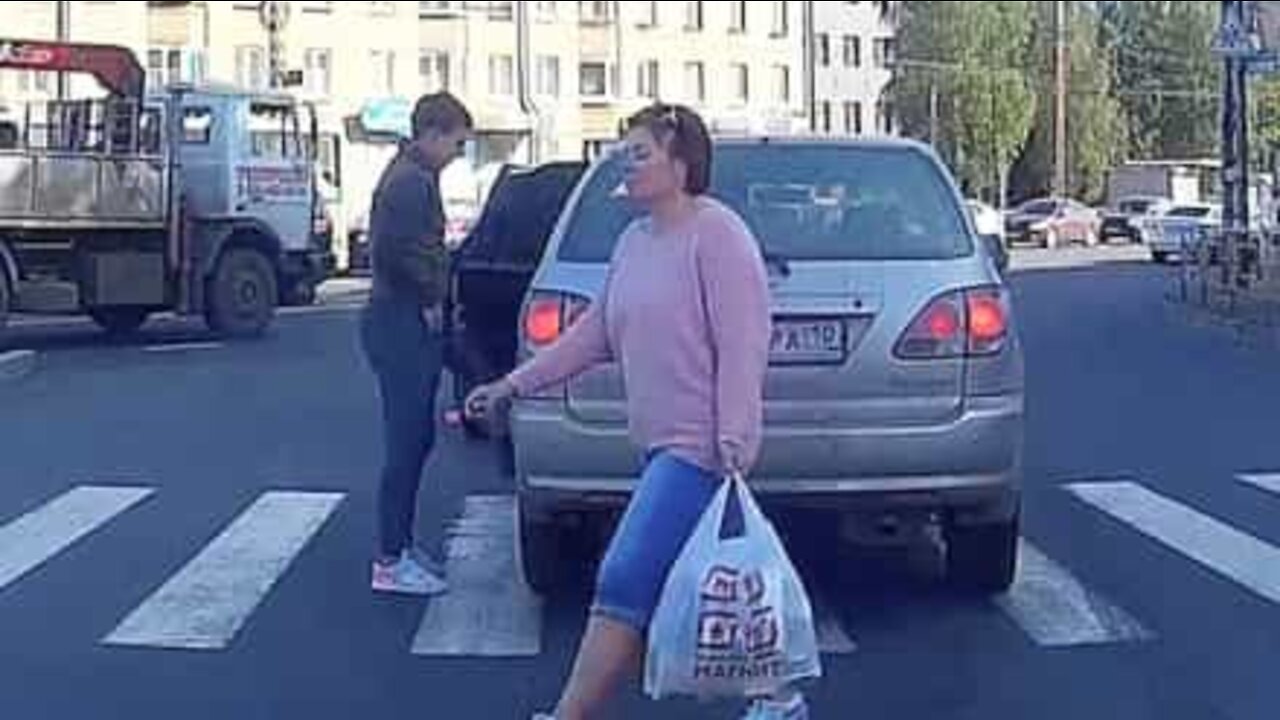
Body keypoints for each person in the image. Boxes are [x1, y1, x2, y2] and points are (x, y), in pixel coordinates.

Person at [465, 105, 805, 719]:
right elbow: (595, 333)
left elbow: (744, 341)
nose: (629, 161)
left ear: (682, 164)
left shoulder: (717, 235)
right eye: (627, 150)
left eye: (642, 151)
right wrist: (511, 385)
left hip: (700, 446)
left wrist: (735, 432)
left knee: (624, 579)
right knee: (711, 586)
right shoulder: (635, 241)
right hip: (658, 446)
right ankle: (775, 700)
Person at [361, 92, 473, 596]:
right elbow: (395, 251)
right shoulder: (411, 183)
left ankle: (400, 548)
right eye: (456, 141)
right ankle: (390, 558)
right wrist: (429, 296)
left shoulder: (411, 175)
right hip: (401, 320)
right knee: (407, 440)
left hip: (398, 318)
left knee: (416, 438)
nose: (457, 152)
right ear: (432, 133)